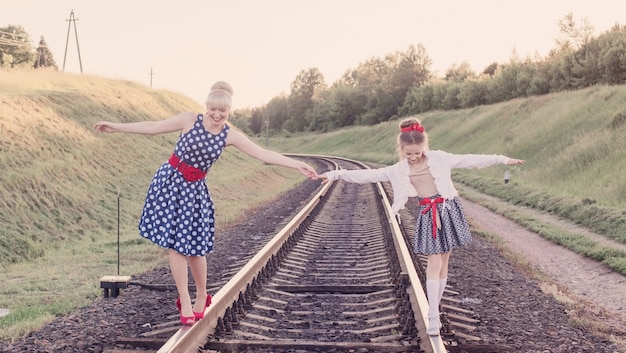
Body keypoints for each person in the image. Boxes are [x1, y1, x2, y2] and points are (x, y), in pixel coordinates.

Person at [95, 81, 318, 326]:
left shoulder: (229, 135)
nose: (216, 114)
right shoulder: (189, 120)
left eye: (222, 111)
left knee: (196, 249)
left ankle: (202, 295)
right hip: (169, 183)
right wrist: (115, 127)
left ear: (229, 110)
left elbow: (263, 154)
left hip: (195, 192)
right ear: (206, 106)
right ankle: (185, 300)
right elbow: (152, 127)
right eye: (213, 109)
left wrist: (297, 164)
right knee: (175, 245)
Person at [317, 118, 524, 336]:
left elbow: (470, 160)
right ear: (402, 150)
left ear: (424, 146)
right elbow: (367, 175)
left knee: (444, 259)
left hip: (449, 209)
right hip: (429, 213)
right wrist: (334, 174)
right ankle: (433, 314)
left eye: (417, 153)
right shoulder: (398, 169)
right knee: (433, 260)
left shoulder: (439, 158)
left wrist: (503, 159)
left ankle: (436, 306)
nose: (414, 157)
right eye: (409, 154)